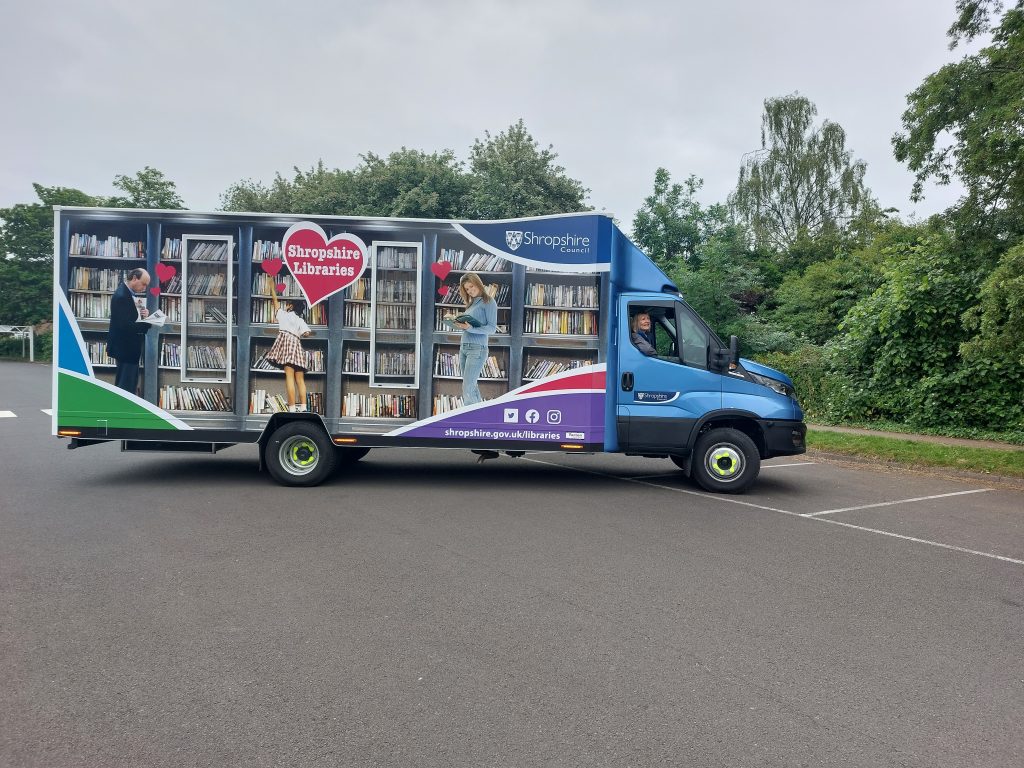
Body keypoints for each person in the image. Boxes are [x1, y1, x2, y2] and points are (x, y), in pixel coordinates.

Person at [452, 272, 499, 462]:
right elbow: (469, 326)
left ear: (478, 284)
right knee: (473, 388)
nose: (470, 291)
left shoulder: (489, 302)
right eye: (467, 289)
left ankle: (475, 431)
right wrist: (458, 324)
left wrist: (469, 328)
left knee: (468, 388)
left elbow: (491, 328)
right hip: (465, 347)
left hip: (477, 349)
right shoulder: (472, 303)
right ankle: (483, 431)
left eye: (472, 287)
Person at [265, 283, 312, 412]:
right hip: (297, 347)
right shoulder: (300, 320)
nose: (286, 306)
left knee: (289, 378)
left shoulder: (283, 315)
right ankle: (303, 408)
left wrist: (271, 285)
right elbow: (307, 333)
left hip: (287, 347)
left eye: (288, 304)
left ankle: (291, 408)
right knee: (300, 380)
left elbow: (275, 301)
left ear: (290, 306)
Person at [107, 268, 152, 393]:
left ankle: (123, 410)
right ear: (134, 278)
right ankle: (123, 411)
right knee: (126, 386)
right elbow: (127, 326)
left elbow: (131, 319)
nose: (144, 288)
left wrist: (145, 315)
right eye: (143, 284)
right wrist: (148, 322)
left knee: (128, 384)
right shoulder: (122, 296)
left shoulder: (128, 294)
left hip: (127, 349)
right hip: (126, 349)